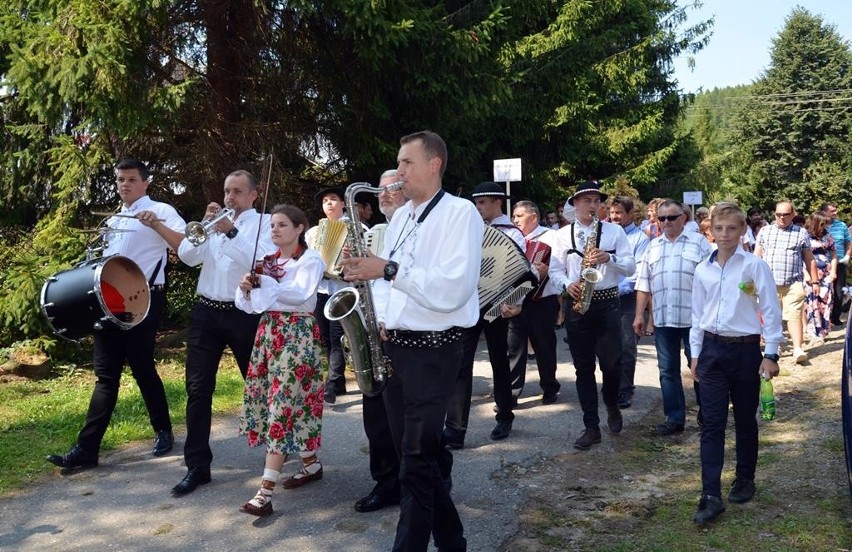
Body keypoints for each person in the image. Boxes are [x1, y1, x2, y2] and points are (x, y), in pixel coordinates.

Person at [340, 130, 480, 551]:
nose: (397, 172)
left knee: (417, 459)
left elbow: (453, 288)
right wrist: (378, 309)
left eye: (406, 163)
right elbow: (390, 285)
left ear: (434, 165)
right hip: (396, 347)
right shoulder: (402, 216)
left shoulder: (461, 213)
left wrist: (385, 270)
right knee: (414, 459)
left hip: (436, 350)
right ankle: (453, 541)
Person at [47, 159, 186, 470]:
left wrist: (156, 226)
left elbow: (186, 247)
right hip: (109, 303)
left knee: (142, 368)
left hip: (145, 299)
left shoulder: (161, 211)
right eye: (120, 179)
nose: (124, 185)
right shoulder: (112, 221)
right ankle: (87, 449)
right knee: (105, 377)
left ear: (145, 182)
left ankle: (163, 431)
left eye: (131, 179)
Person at [171, 170, 276, 496]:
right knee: (198, 390)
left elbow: (262, 263)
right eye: (227, 191)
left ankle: (279, 454)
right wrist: (203, 228)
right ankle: (197, 467)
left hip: (243, 312)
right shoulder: (215, 223)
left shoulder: (266, 223)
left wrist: (231, 234)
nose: (230, 198)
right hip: (206, 312)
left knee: (259, 385)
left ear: (254, 195)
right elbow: (188, 258)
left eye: (237, 192)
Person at [689, 202, 783, 524]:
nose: (725, 235)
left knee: (745, 419)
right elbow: (697, 316)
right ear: (710, 231)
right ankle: (710, 494)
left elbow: (770, 310)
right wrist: (695, 355)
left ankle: (745, 478)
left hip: (745, 353)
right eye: (719, 228)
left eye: (732, 228)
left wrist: (771, 354)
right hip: (712, 353)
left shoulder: (754, 267)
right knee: (711, 423)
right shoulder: (703, 269)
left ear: (743, 230)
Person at [235, 203, 327, 517]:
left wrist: (266, 284)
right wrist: (247, 288)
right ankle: (311, 465)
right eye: (272, 225)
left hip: (298, 333)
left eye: (282, 225)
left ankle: (265, 492)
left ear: (300, 228)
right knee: (288, 402)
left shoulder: (310, 259)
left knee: (283, 404)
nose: (275, 230)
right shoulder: (266, 262)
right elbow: (251, 306)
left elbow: (301, 294)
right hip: (269, 332)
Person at [551, 181, 635, 451]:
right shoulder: (563, 235)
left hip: (607, 304)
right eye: (585, 200)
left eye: (595, 200)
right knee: (583, 368)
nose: (591, 205)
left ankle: (611, 403)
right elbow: (554, 270)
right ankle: (591, 427)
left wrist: (608, 259)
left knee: (612, 365)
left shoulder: (614, 232)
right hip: (577, 306)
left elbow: (631, 267)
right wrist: (567, 284)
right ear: (575, 204)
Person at [444, 180, 524, 447]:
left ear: (497, 202)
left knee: (498, 361)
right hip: (469, 304)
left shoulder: (513, 232)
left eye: (482, 203)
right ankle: (455, 430)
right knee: (460, 364)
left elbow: (523, 275)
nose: (477, 208)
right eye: (476, 203)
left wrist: (512, 301)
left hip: (497, 306)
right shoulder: (470, 231)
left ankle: (505, 415)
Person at [634, 199, 713, 435]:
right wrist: (639, 314)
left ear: (683, 218)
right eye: (662, 218)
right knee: (667, 371)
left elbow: (712, 282)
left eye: (671, 217)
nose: (666, 222)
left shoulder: (699, 244)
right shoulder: (653, 246)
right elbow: (643, 283)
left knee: (700, 369)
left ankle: (708, 415)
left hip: (695, 320)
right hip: (664, 319)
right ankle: (674, 418)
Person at [353, 169, 405, 514]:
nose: (384, 195)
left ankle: (423, 482)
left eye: (392, 189)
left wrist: (390, 320)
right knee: (376, 416)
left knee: (406, 419)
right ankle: (385, 483)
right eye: (381, 190)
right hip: (373, 332)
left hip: (401, 333)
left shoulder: (415, 228)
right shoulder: (373, 235)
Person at [507, 200, 563, 406]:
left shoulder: (551, 237)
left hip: (542, 300)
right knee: (514, 346)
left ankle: (549, 387)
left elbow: (559, 264)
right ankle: (511, 393)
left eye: (519, 216)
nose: (515, 220)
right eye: (514, 216)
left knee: (544, 345)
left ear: (533, 217)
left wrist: (548, 271)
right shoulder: (513, 237)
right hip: (516, 300)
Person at [754, 201, 819, 364]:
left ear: (792, 215)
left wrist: (815, 281)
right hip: (769, 283)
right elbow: (756, 256)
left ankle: (797, 349)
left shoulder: (801, 233)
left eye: (785, 214)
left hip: (793, 283)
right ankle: (773, 347)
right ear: (774, 214)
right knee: (771, 317)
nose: (781, 217)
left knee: (794, 315)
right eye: (778, 214)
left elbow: (809, 258)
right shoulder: (765, 231)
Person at [306, 186, 350, 403]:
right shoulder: (314, 233)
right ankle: (338, 381)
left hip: (342, 291)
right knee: (324, 337)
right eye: (325, 201)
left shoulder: (355, 228)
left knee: (336, 337)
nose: (329, 203)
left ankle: (332, 383)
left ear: (343, 203)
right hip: (321, 290)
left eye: (333, 199)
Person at [608, 197, 650, 409]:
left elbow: (640, 272)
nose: (614, 217)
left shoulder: (640, 238)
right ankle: (612, 385)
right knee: (607, 345)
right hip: (606, 298)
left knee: (626, 344)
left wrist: (617, 288)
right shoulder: (606, 234)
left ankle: (625, 389)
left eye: (619, 213)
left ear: (631, 213)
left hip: (627, 298)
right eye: (612, 212)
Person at [803, 211, 837, 344]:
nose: (825, 226)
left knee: (826, 300)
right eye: (823, 224)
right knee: (812, 301)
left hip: (826, 272)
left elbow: (833, 254)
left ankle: (824, 329)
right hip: (810, 272)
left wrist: (833, 271)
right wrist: (806, 273)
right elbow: (800, 256)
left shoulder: (827, 235)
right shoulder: (804, 235)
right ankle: (813, 330)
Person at [821, 202, 852, 326]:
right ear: (824, 212)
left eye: (835, 210)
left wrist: (847, 256)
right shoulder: (819, 225)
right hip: (822, 265)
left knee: (839, 291)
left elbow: (848, 242)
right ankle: (824, 319)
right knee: (824, 292)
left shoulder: (842, 225)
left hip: (839, 263)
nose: (835, 213)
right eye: (832, 211)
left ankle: (835, 317)